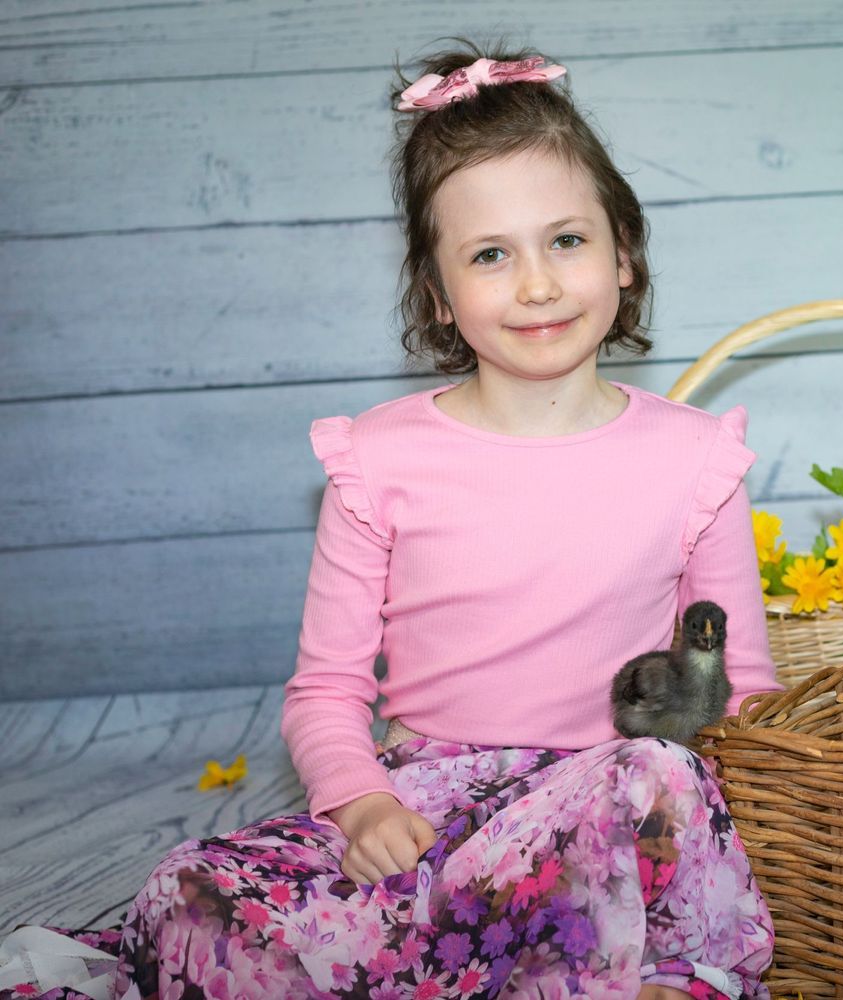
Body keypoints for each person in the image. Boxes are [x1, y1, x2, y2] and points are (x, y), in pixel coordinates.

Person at [0, 40, 780, 1000]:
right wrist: (364, 805)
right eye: (490, 255)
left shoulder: (696, 459)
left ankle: (604, 964)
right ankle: (516, 970)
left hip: (600, 808)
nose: (537, 284)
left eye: (567, 241)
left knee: (658, 774)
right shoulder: (377, 461)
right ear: (438, 295)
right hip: (429, 818)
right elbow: (326, 690)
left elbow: (740, 689)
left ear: (623, 253)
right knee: (182, 892)